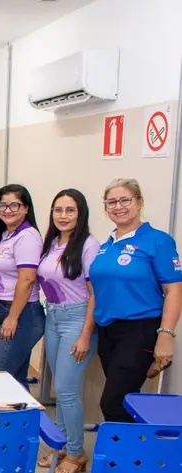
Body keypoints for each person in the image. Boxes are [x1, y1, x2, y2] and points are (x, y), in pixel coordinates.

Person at [90, 179, 182, 422]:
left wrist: (165, 336)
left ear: (139, 202)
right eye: (111, 202)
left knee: (113, 402)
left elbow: (174, 291)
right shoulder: (106, 245)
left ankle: (127, 458)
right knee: (125, 401)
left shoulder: (157, 241)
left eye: (125, 200)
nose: (118, 206)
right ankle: (131, 456)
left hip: (139, 329)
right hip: (108, 331)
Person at [36, 189, 100, 473]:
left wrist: (86, 334)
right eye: (58, 210)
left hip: (78, 318)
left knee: (66, 389)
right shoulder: (51, 243)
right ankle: (60, 445)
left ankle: (76, 451)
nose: (63, 216)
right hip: (54, 317)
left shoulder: (88, 245)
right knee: (59, 389)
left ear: (81, 213)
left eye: (70, 210)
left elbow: (94, 294)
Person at [0, 184, 45, 385]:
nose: (7, 210)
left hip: (22, 314)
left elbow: (27, 279)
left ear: (26, 208)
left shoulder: (28, 237)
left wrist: (12, 317)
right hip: (4, 308)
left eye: (14, 205)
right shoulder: (6, 235)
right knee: (16, 382)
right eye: (2, 205)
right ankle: (27, 417)